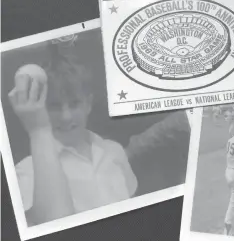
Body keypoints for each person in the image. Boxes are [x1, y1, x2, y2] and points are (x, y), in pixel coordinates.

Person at [10, 56, 138, 225]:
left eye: (75, 103)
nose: (66, 116)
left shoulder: (114, 150)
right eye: (54, 106)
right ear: (40, 110)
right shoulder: (27, 171)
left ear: (88, 104)